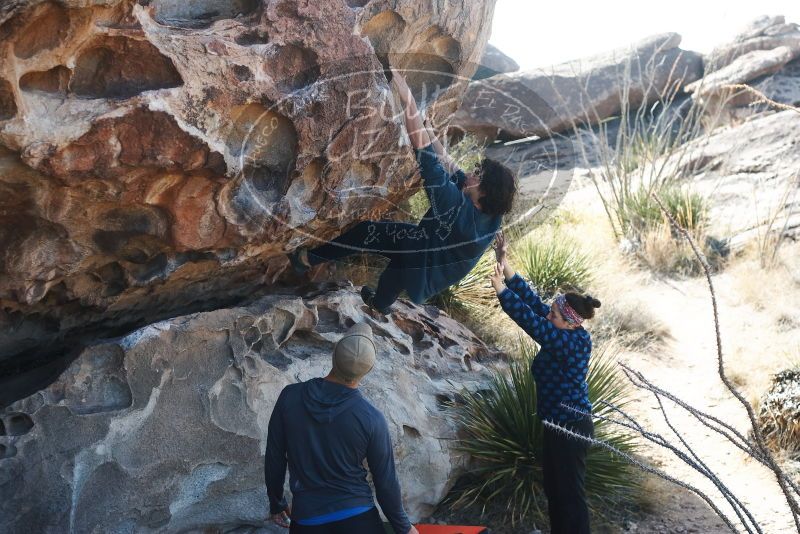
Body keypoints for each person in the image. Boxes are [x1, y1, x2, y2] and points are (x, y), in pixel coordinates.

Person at [288, 67, 516, 314]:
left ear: (483, 193)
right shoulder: (490, 211)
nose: (471, 173)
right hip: (428, 261)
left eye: (477, 175)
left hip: (424, 258)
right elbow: (450, 165)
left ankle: (306, 260)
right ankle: (380, 303)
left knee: (368, 233)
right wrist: (430, 130)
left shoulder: (456, 211)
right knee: (400, 266)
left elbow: (426, 157)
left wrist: (408, 99)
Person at [488, 232, 600, 534]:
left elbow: (533, 322)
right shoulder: (562, 327)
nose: (548, 315)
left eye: (554, 314)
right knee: (556, 491)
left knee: (570, 497)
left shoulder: (570, 343)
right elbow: (536, 305)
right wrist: (506, 266)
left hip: (571, 427)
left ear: (570, 322)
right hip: (557, 425)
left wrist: (500, 291)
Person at [264, 322, 418, 534]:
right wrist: (404, 528)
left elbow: (275, 457)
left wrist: (276, 502)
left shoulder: (289, 397)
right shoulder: (372, 419)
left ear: (333, 354)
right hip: (360, 520)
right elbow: (386, 483)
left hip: (308, 521)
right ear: (369, 370)